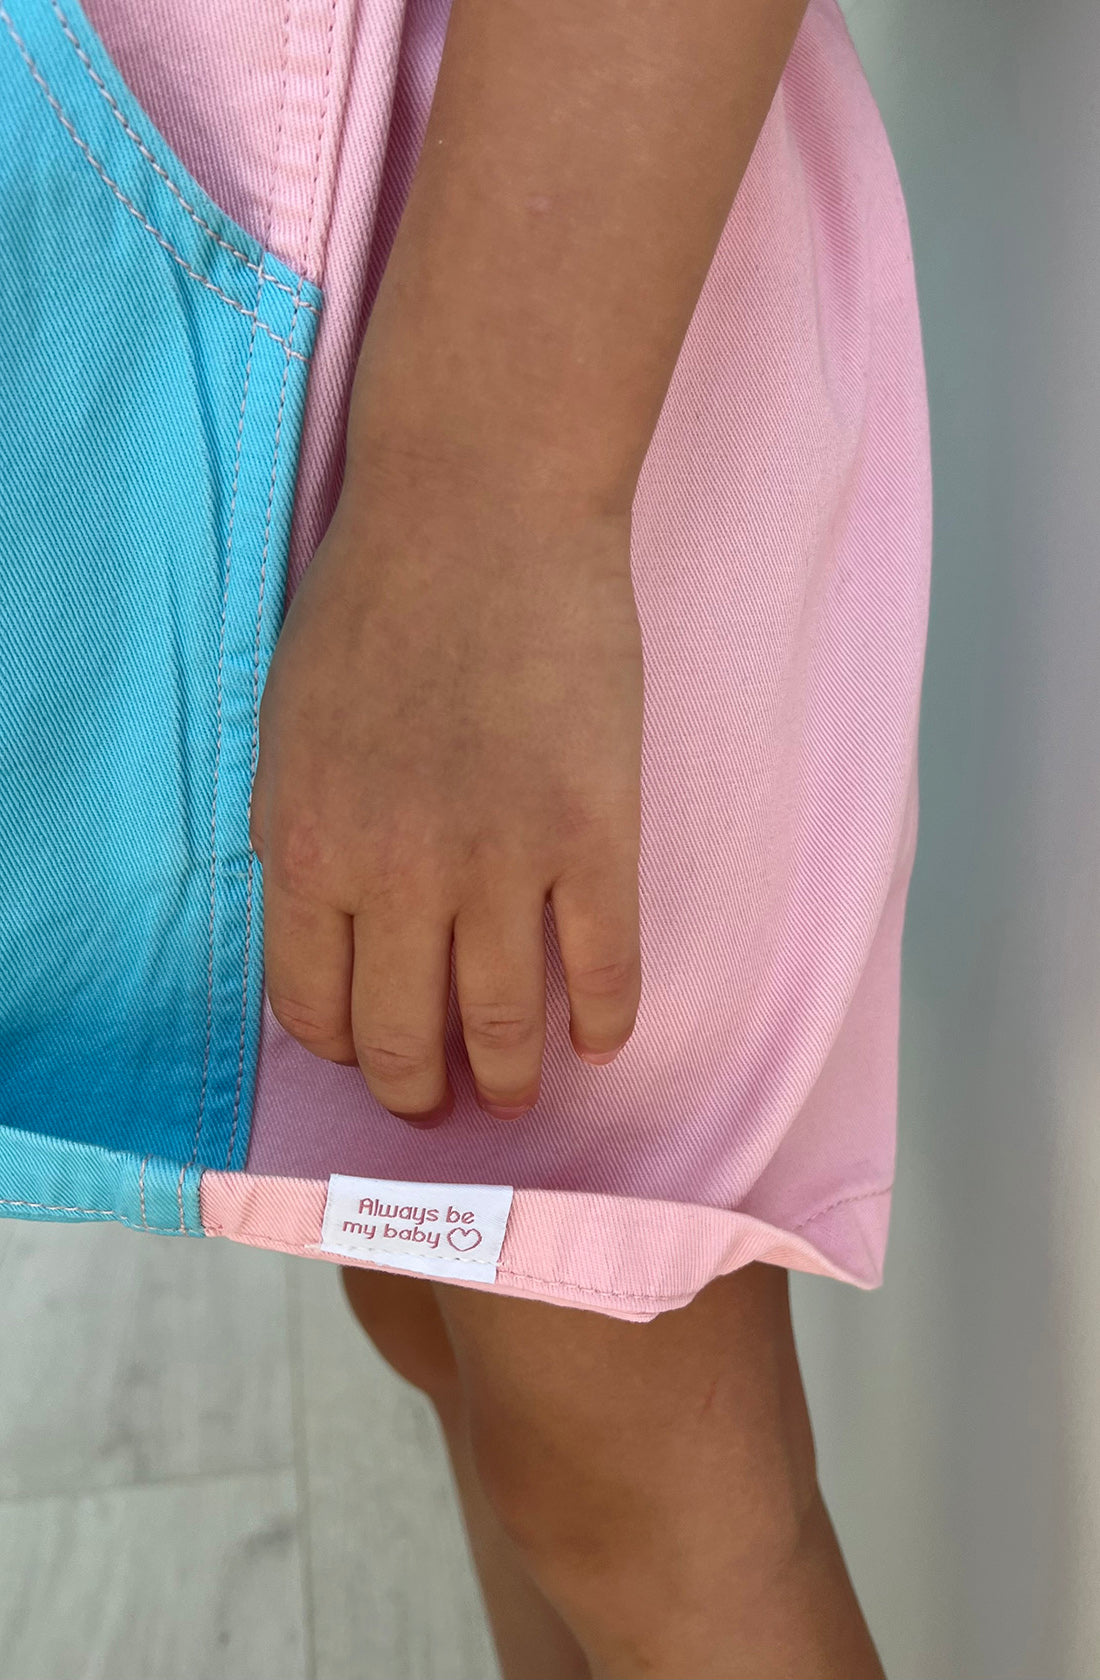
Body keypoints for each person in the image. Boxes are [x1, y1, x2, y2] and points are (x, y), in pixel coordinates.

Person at [3, 0, 930, 1671]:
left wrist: (485, 502)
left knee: (629, 1456)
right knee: (433, 1305)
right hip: (181, 296)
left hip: (482, 312)